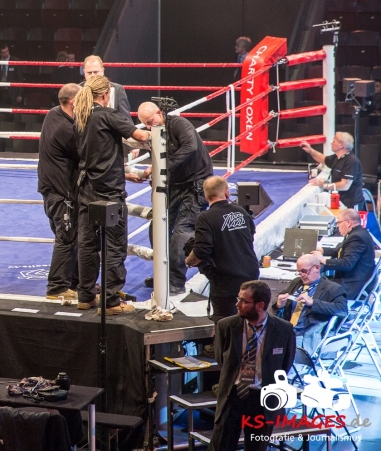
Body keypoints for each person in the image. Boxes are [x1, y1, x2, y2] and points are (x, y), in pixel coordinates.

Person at [73, 75, 150, 314]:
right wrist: (160, 130)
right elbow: (141, 137)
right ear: (106, 94)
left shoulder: (80, 116)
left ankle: (85, 296)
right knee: (115, 245)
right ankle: (110, 302)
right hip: (109, 190)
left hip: (86, 188)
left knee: (87, 244)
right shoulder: (108, 115)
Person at [210, 280, 295, 451]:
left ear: (260, 305)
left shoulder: (284, 330)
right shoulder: (226, 326)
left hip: (262, 400)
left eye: (243, 301)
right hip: (232, 396)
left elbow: (285, 364)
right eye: (238, 299)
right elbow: (222, 359)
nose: (237, 304)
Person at [139, 102, 213, 293]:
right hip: (175, 183)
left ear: (159, 112)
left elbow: (190, 146)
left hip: (196, 182)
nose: (149, 126)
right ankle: (162, 273)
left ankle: (175, 280)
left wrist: (161, 169)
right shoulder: (157, 133)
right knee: (157, 224)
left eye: (150, 121)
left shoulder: (179, 123)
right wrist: (159, 175)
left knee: (183, 229)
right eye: (145, 124)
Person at [185, 176, 260, 321]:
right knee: (250, 318)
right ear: (226, 192)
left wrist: (189, 261)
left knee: (226, 322)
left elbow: (201, 251)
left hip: (226, 281)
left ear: (206, 196)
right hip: (250, 274)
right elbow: (250, 237)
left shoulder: (205, 217)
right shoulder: (242, 212)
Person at [38, 83, 81, 302]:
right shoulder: (65, 129)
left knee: (71, 237)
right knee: (66, 238)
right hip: (61, 193)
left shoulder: (53, 113)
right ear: (74, 102)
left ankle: (75, 283)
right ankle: (56, 287)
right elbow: (86, 153)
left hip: (54, 190)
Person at [272, 254, 347, 353]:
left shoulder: (333, 288)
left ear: (317, 268)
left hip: (305, 334)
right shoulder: (297, 282)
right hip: (287, 330)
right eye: (299, 272)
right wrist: (278, 304)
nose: (302, 275)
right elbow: (278, 298)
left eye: (304, 271)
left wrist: (313, 303)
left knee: (276, 352)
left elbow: (342, 310)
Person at [313, 208, 377, 299]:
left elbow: (347, 264)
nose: (337, 226)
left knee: (315, 288)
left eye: (338, 222)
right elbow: (340, 250)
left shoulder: (356, 237)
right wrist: (321, 250)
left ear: (348, 223)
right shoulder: (356, 232)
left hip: (352, 284)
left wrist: (324, 260)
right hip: (353, 278)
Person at [301, 132, 364, 210]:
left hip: (350, 206)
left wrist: (323, 185)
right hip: (340, 201)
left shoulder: (351, 161)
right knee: (322, 198)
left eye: (334, 141)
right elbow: (322, 158)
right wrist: (310, 150)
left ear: (341, 145)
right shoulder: (337, 158)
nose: (331, 143)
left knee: (323, 198)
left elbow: (345, 185)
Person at [81, 55, 131, 121]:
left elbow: (126, 119)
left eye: (95, 72)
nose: (93, 75)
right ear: (84, 72)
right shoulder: (78, 89)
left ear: (102, 71)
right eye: (89, 73)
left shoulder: (117, 90)